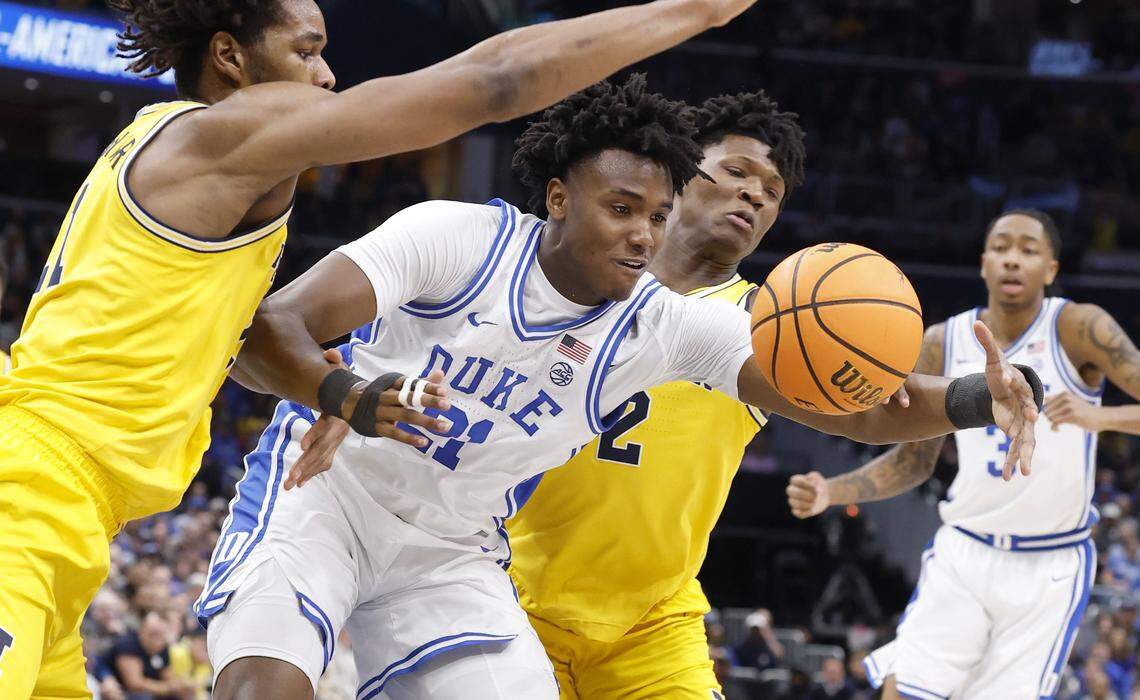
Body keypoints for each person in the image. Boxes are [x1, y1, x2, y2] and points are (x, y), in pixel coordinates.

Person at [0, 0, 766, 695]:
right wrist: (690, 11)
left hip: (71, 517)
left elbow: (240, 334)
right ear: (230, 56)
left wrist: (339, 393)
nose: (327, 75)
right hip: (29, 497)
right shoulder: (219, 139)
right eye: (307, 51)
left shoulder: (183, 153)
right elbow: (493, 81)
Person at [205, 76, 1040, 699]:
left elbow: (860, 406)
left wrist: (981, 397)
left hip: (473, 560)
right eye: (625, 209)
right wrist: (343, 393)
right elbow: (265, 332)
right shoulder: (455, 239)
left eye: (653, 212)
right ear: (563, 198)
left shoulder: (686, 326)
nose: (642, 232)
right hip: (336, 503)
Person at [503, 90, 803, 698]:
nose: (753, 193)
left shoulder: (764, 326)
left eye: (771, 191)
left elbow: (874, 401)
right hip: (506, 592)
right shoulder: (569, 272)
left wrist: (974, 397)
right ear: (681, 171)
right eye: (737, 171)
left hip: (652, 624)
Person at [787, 209, 1140, 700]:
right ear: (982, 263)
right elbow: (912, 462)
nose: (1012, 260)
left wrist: (1102, 418)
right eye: (1001, 247)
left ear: (1052, 269)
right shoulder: (941, 341)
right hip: (966, 549)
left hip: (1050, 564)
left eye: (1027, 249)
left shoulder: (1078, 327)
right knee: (902, 690)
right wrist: (831, 490)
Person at [105, 613, 194, 700]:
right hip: (120, 689)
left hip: (152, 689)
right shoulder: (128, 644)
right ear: (141, 631)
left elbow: (168, 678)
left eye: (161, 634)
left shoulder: (163, 648)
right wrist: (169, 688)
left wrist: (180, 686)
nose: (157, 640)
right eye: (153, 634)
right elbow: (134, 683)